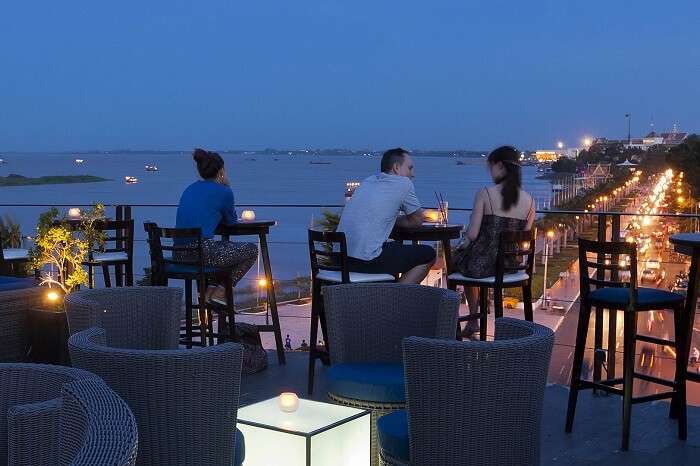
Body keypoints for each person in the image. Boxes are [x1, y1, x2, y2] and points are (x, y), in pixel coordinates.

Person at [453, 146, 535, 338]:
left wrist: (464, 241)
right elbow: (525, 236)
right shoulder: (530, 201)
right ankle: (480, 313)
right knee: (468, 263)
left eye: (490, 167)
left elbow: (472, 234)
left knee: (459, 263)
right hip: (510, 266)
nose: (490, 172)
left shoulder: (485, 193)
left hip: (483, 265)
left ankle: (473, 319)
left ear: (499, 166)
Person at [337, 148, 436, 283]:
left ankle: (386, 294)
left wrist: (387, 219)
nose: (413, 174)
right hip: (365, 260)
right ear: (396, 167)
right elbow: (417, 221)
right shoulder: (404, 183)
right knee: (428, 254)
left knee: (392, 248)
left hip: (339, 258)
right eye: (410, 168)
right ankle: (394, 298)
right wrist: (395, 219)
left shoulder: (368, 181)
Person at [176, 148, 258, 302]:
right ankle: (222, 291)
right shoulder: (224, 191)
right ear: (221, 170)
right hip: (201, 253)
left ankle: (211, 290)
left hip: (178, 254)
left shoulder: (190, 188)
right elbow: (231, 221)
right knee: (252, 250)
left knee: (220, 248)